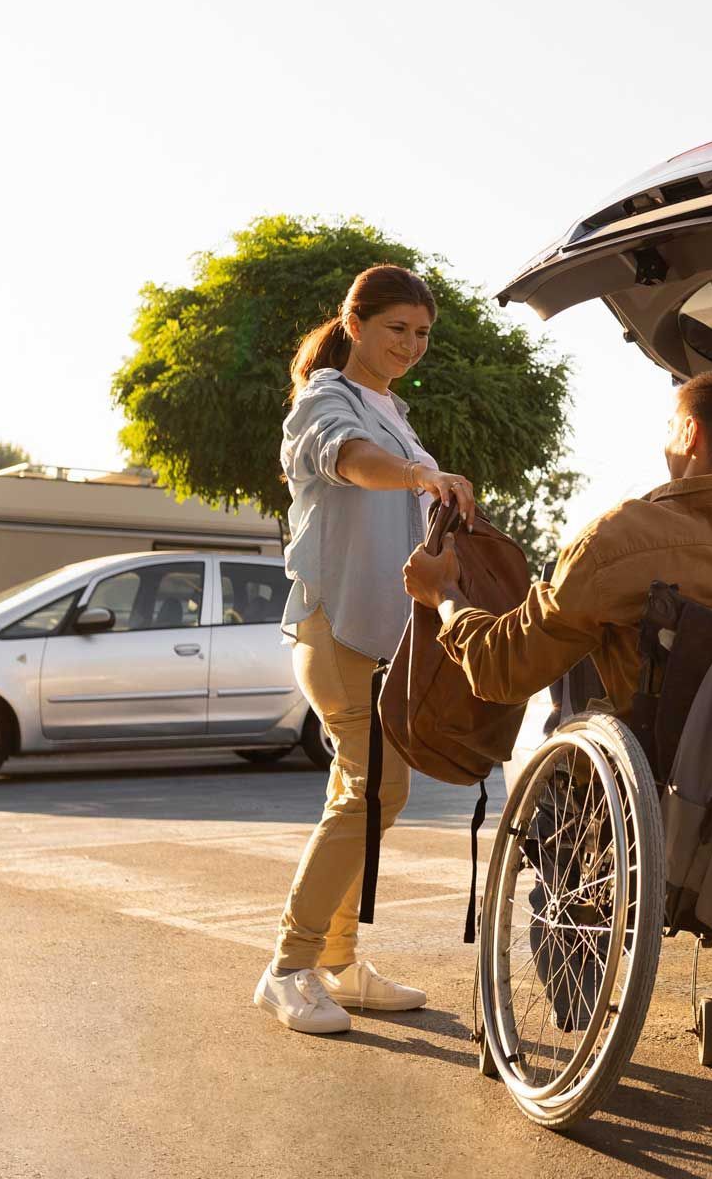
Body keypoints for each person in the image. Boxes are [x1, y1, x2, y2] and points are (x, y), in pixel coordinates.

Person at [401, 197, 712, 721]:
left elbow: (503, 671)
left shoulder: (617, 543)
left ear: (689, 432)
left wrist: (444, 593)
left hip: (664, 771)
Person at [253, 264, 478, 1036]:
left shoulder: (398, 413)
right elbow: (348, 459)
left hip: (393, 635)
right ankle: (288, 967)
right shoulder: (328, 399)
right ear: (355, 324)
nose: (411, 345)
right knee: (375, 788)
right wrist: (418, 472)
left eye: (421, 334)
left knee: (366, 794)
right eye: (396, 329)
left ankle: (339, 962)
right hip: (338, 629)